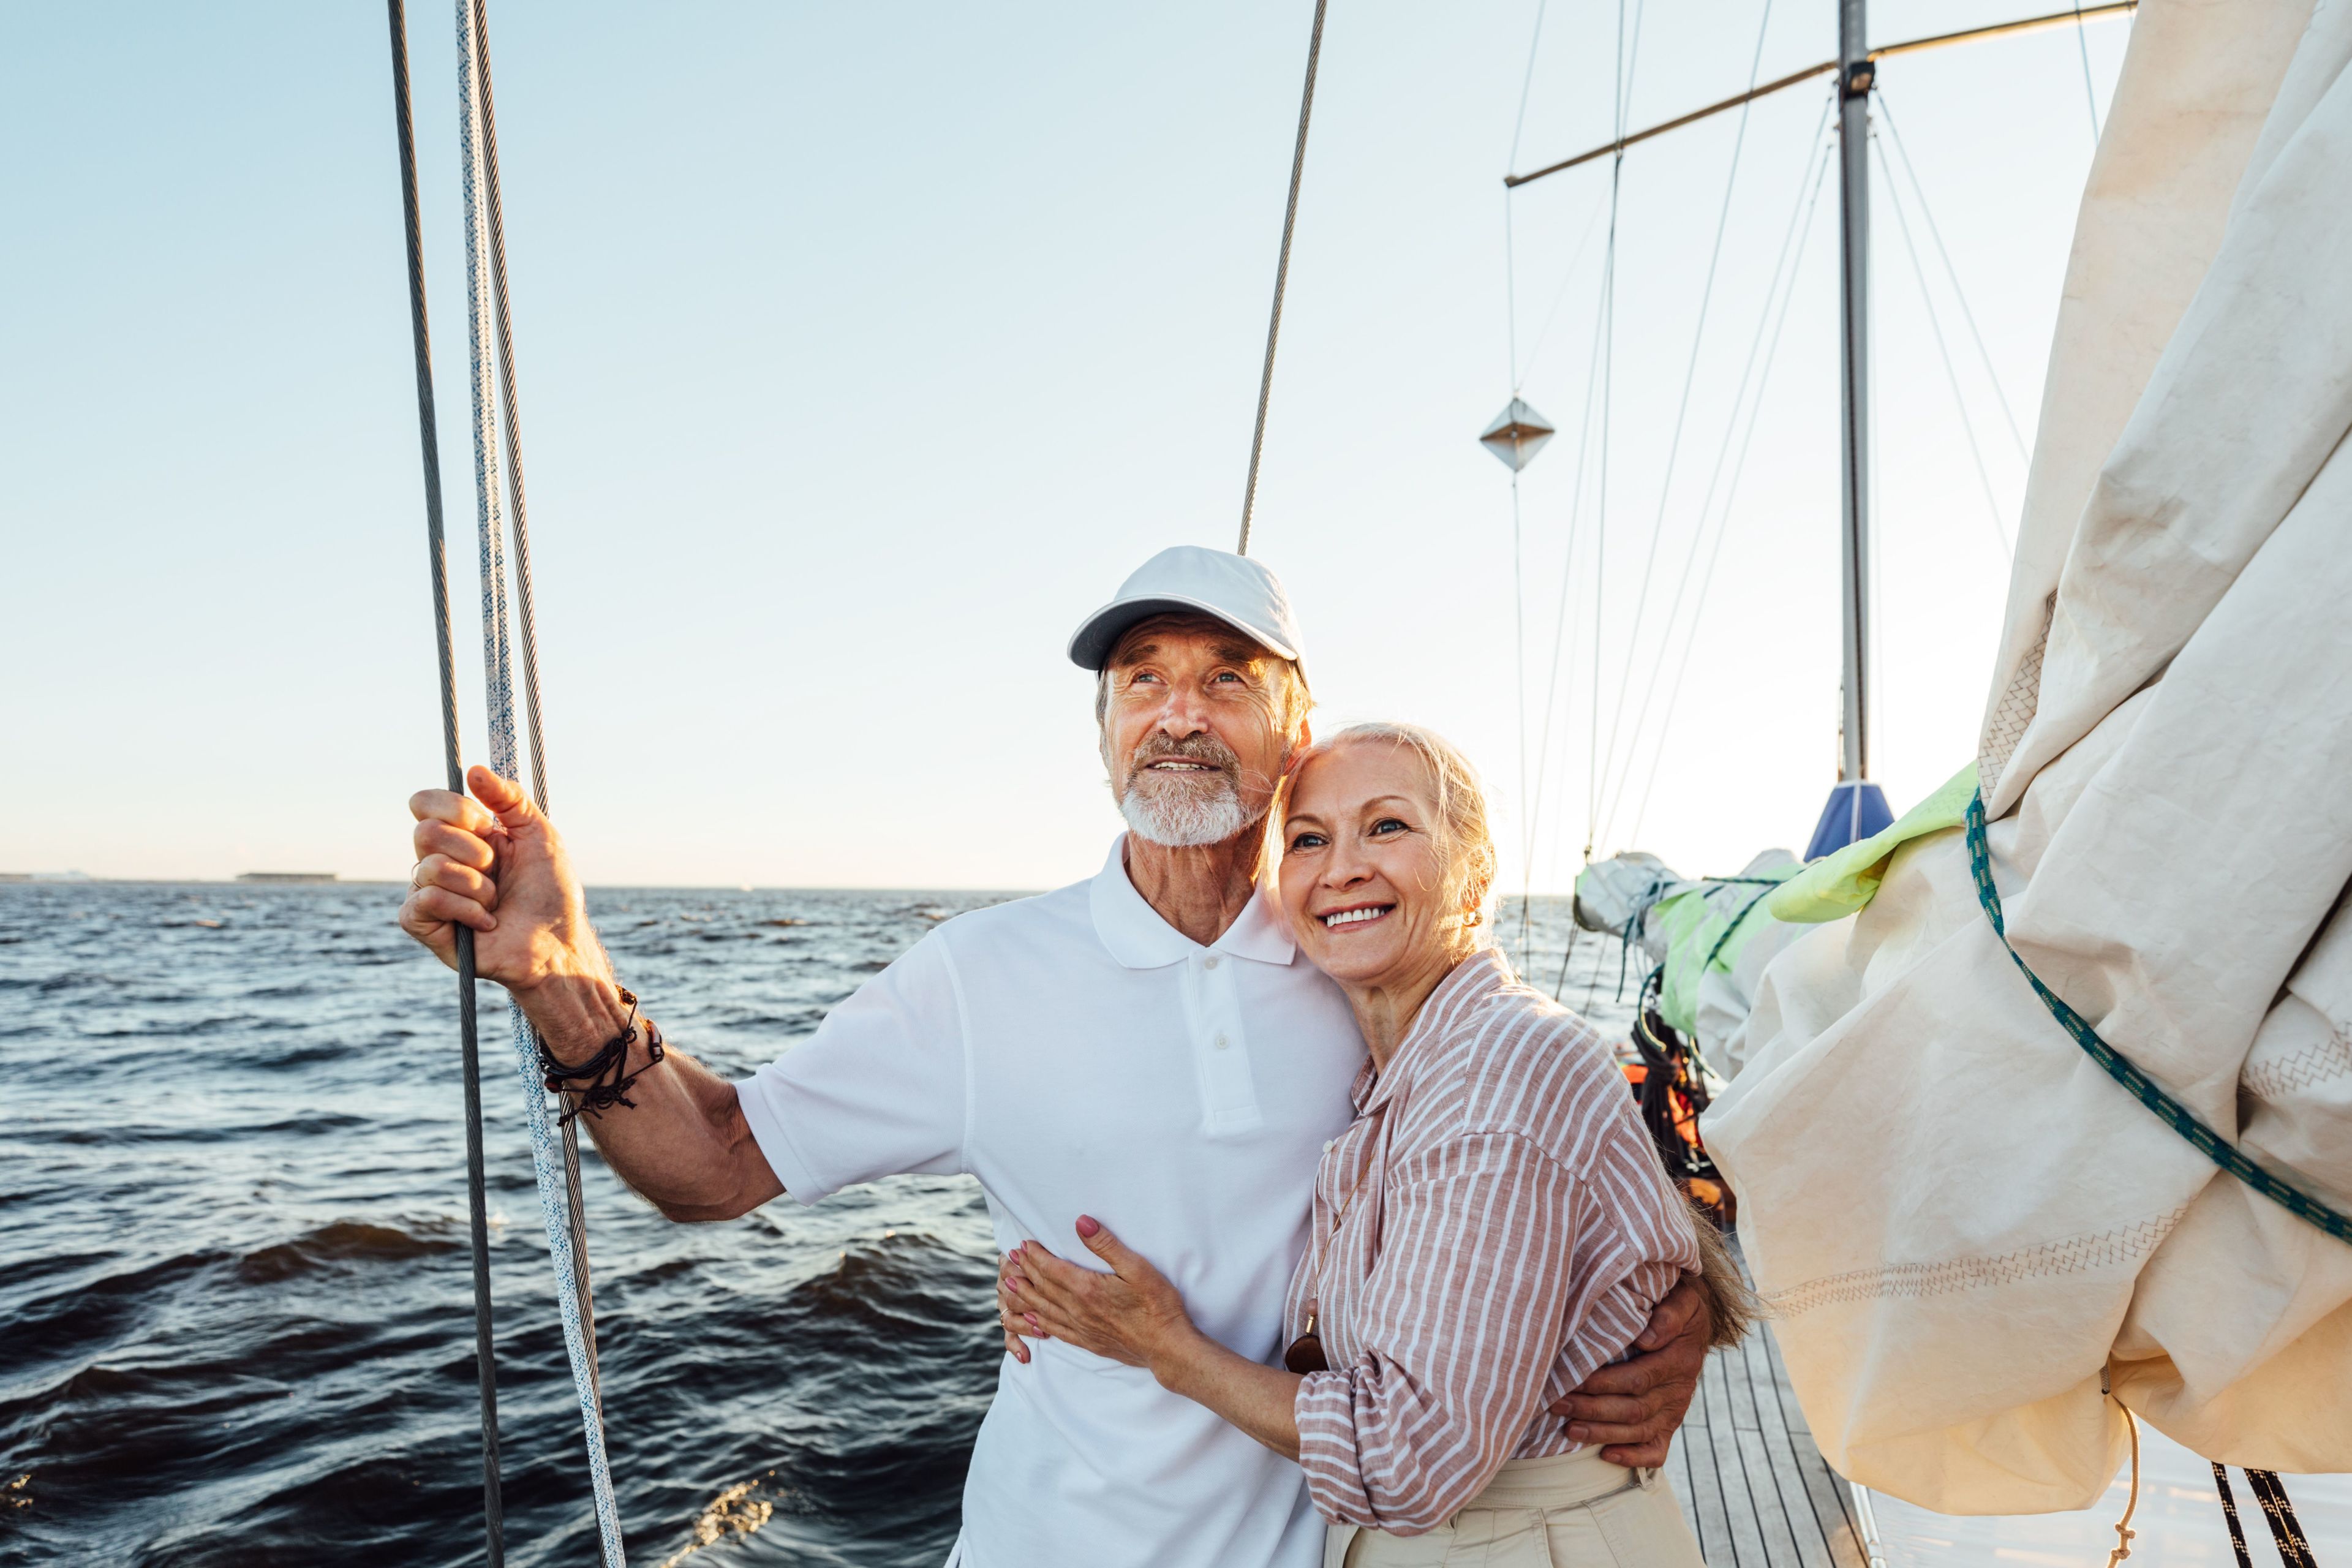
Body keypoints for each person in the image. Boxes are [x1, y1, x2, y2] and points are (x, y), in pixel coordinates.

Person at [397, 546, 1716, 1568]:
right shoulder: (981, 977)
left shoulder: (1362, 955)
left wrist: (1687, 1310)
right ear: (1102, 733)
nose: (1180, 712)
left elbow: (1564, 1136)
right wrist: (562, 975)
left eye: (1227, 677)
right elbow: (714, 1164)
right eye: (1143, 678)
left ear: (1293, 730)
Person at [1002, 722, 1744, 1566]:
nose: (1343, 866)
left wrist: (1166, 1349)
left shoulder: (1496, 1069)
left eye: (1388, 827)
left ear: (1475, 875)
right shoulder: (1393, 1064)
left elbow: (1410, 1462)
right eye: (1310, 839)